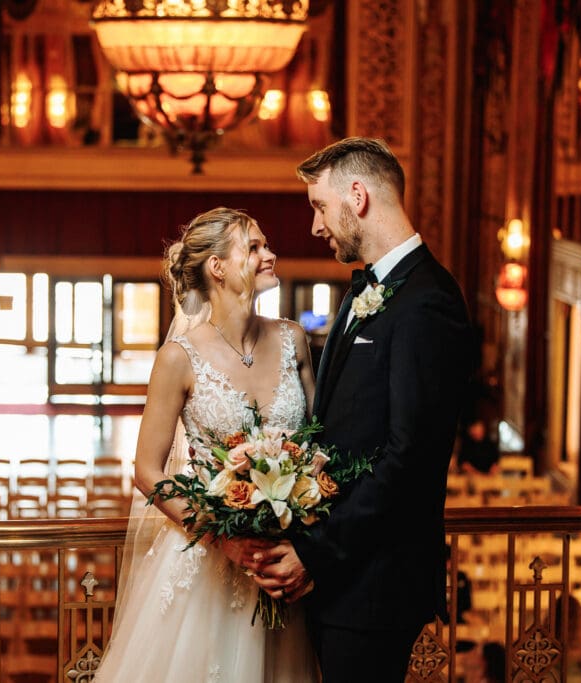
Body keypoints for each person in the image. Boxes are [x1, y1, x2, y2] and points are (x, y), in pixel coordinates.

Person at [249, 137, 472, 680]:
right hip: (342, 580)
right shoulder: (368, 288)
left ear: (358, 195)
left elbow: (408, 460)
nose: (315, 226)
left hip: (375, 585)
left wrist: (316, 553)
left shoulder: (428, 301)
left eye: (319, 207)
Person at [94, 207, 319, 681]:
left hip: (282, 567)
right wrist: (224, 537)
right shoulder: (179, 357)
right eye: (254, 247)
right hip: (209, 567)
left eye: (266, 245)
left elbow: (319, 448)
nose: (270, 254)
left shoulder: (293, 339)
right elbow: (147, 471)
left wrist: (301, 512)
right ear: (217, 267)